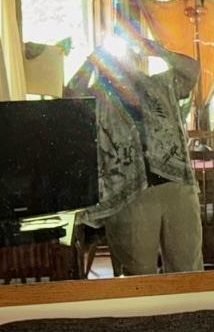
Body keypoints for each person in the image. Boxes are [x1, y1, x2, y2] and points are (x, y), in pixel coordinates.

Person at [69, 29, 202, 276]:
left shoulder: (160, 85)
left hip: (177, 188)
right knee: (140, 272)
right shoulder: (98, 97)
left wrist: (159, 50)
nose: (123, 62)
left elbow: (192, 70)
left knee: (188, 268)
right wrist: (94, 58)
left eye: (128, 55)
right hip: (131, 194)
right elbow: (71, 94)